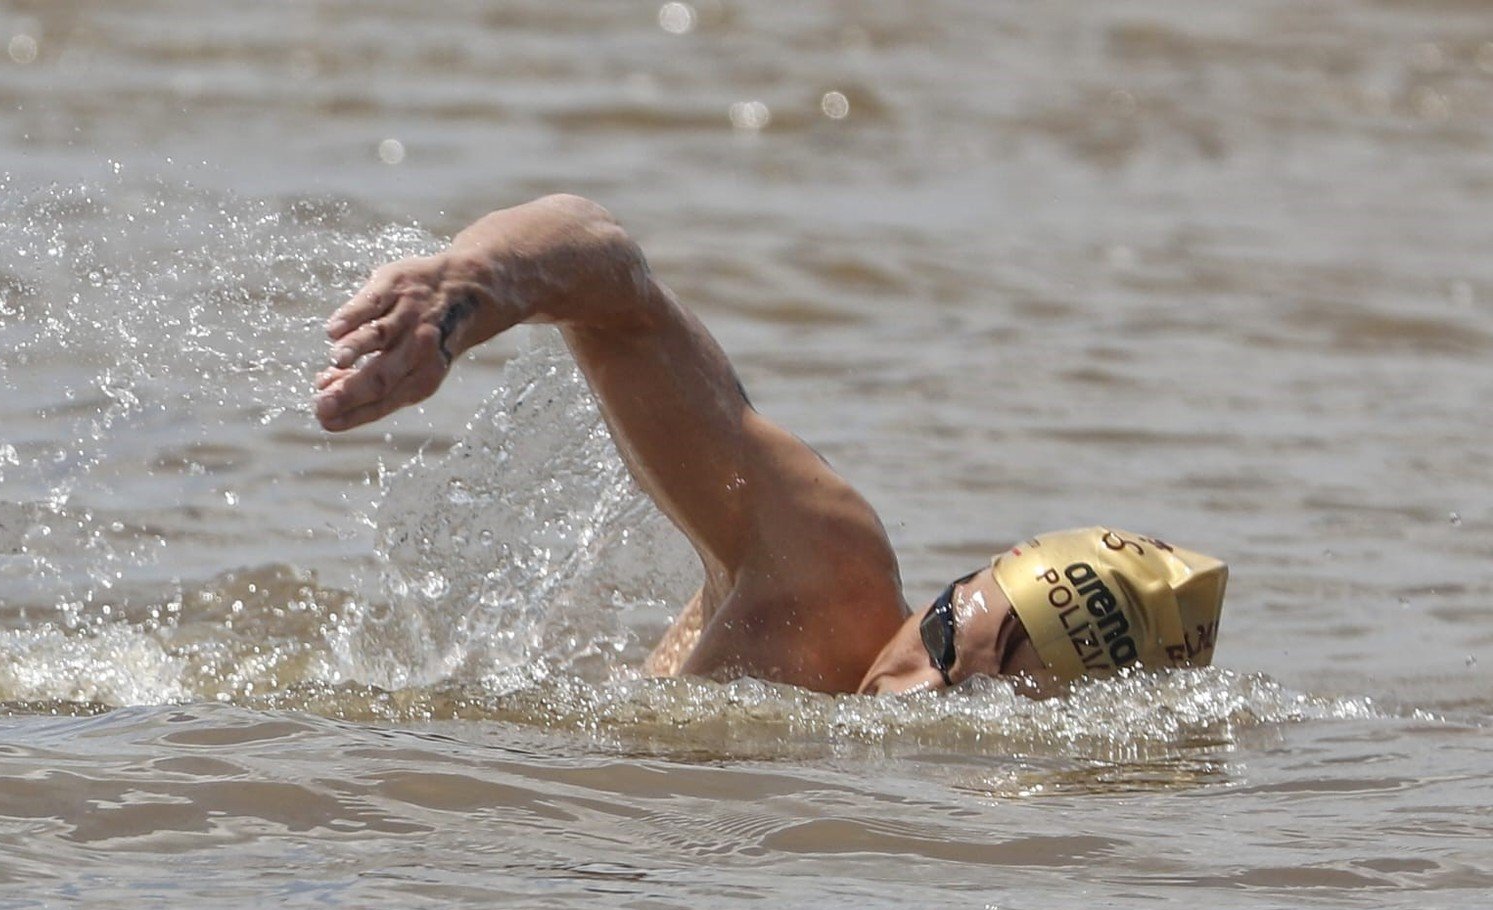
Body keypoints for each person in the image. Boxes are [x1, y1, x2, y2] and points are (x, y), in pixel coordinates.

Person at [314, 195, 1227, 695]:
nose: (916, 686)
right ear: (954, 591)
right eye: (944, 638)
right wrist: (475, 283)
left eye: (982, 699)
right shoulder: (822, 579)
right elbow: (617, 282)